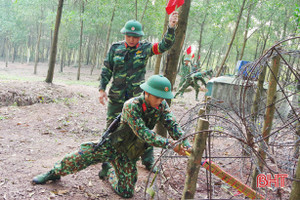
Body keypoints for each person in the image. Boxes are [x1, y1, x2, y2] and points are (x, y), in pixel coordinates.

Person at [32, 75, 191, 198]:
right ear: (147, 93)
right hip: (111, 145)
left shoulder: (161, 106)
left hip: (128, 153)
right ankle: (53, 172)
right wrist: (170, 144)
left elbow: (173, 125)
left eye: (163, 97)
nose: (161, 100)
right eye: (157, 97)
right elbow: (143, 133)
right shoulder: (131, 106)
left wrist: (187, 143)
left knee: (127, 192)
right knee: (80, 158)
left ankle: (108, 170)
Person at [98, 11, 179, 176]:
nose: (132, 39)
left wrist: (171, 27)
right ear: (125, 34)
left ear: (140, 37)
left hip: (137, 99)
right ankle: (106, 164)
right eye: (129, 36)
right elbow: (107, 69)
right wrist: (101, 89)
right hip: (117, 98)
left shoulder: (145, 48)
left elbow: (164, 45)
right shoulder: (116, 48)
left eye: (135, 36)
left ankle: (148, 161)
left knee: (144, 129)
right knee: (111, 129)